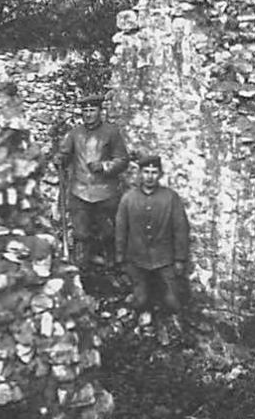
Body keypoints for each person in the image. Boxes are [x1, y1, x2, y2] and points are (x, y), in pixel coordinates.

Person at [114, 154, 191, 344]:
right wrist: (120, 259)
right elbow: (120, 229)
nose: (149, 176)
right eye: (146, 172)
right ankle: (141, 325)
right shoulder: (129, 198)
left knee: (172, 300)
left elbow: (181, 228)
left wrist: (180, 259)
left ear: (160, 174)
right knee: (140, 300)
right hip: (137, 258)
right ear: (140, 174)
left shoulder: (170, 198)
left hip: (164, 259)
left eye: (154, 172)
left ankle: (169, 329)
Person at [54, 93, 130, 270]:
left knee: (109, 233)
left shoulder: (111, 132)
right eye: (85, 110)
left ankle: (113, 268)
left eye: (92, 110)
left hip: (105, 192)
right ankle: (82, 270)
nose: (88, 114)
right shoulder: (75, 134)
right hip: (80, 191)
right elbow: (65, 154)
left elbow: (123, 160)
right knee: (81, 234)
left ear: (99, 111)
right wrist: (60, 158)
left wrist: (104, 166)